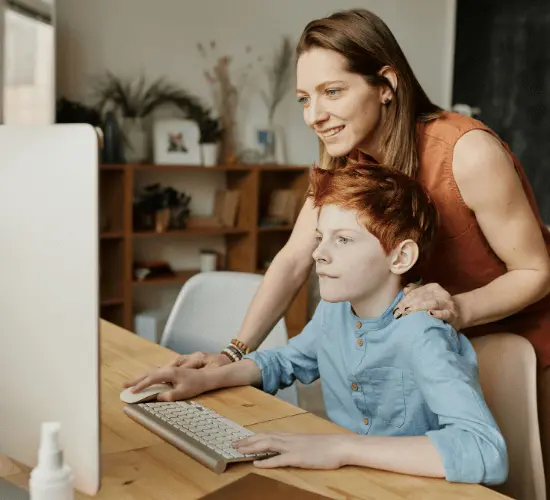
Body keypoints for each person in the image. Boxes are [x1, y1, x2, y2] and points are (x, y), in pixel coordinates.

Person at [161, 8, 550, 491]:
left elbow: (536, 270)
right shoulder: (346, 162)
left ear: (386, 84)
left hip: (516, 343)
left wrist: (455, 308)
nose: (313, 115)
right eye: (305, 98)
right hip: (430, 340)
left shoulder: (467, 153)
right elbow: (293, 258)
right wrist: (231, 353)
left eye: (333, 91)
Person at [125, 164, 508, 484]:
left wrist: (340, 447)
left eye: (342, 240)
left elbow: (484, 450)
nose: (318, 254)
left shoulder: (422, 332)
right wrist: (208, 377)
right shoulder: (335, 311)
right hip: (349, 480)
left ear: (400, 256)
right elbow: (288, 360)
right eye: (320, 237)